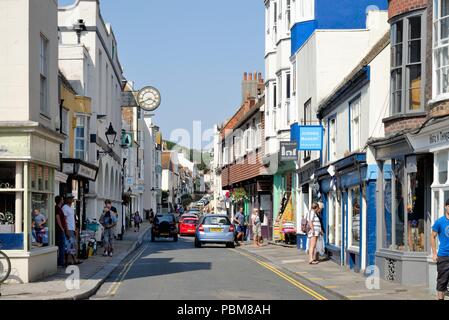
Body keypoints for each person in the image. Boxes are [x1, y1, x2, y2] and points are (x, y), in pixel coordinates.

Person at [431, 198, 449, 300]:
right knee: (442, 283)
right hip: (443, 257)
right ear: (446, 207)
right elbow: (432, 236)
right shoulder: (440, 222)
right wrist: (434, 253)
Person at [62, 195, 82, 265]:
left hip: (72, 229)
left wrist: (75, 228)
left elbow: (73, 219)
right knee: (70, 245)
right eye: (70, 198)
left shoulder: (71, 208)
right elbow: (64, 220)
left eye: (72, 198)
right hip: (69, 229)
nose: (72, 200)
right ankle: (72, 260)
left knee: (71, 245)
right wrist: (66, 230)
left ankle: (70, 260)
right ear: (67, 199)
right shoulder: (65, 208)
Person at [55, 196, 69, 267]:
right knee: (61, 246)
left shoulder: (59, 208)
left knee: (61, 246)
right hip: (59, 230)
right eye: (62, 199)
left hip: (60, 230)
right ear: (60, 200)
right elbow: (58, 218)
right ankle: (60, 262)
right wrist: (62, 228)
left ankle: (60, 261)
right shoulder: (57, 208)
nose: (63, 200)